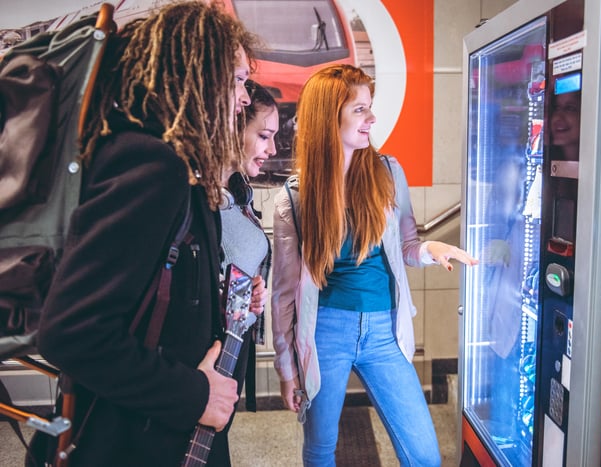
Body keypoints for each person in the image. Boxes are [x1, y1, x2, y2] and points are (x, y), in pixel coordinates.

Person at [35, 3, 257, 466]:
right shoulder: (153, 166)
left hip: (162, 434)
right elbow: (72, 333)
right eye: (237, 80)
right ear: (198, 76)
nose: (244, 97)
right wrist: (195, 394)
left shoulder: (176, 165)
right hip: (133, 443)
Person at [271, 64, 478, 466]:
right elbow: (282, 297)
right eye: (360, 110)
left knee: (424, 455)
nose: (372, 119)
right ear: (329, 117)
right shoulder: (293, 199)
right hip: (326, 332)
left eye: (370, 108)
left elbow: (406, 246)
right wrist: (286, 369)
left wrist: (431, 249)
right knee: (320, 450)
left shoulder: (388, 172)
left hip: (384, 332)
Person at [220, 80, 279, 417]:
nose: (271, 150)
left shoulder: (239, 192)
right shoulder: (202, 201)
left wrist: (251, 299)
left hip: (234, 344)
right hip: (205, 358)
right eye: (263, 135)